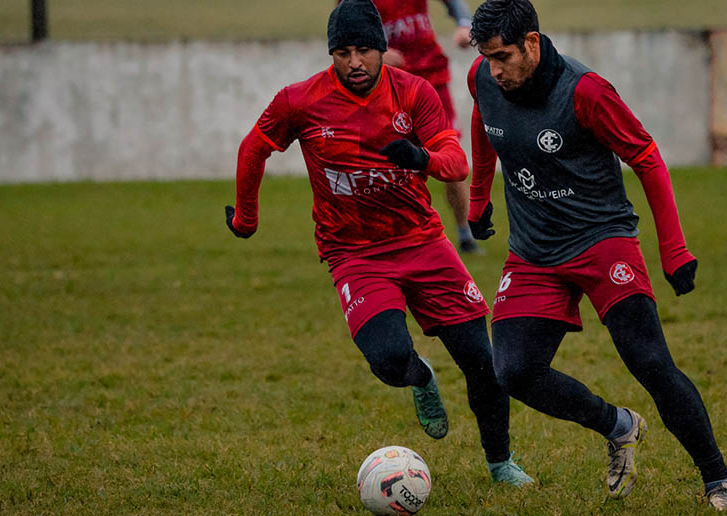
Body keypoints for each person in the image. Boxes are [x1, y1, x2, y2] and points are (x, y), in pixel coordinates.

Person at [226, 0, 533, 489]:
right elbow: (254, 147)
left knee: (483, 361)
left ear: (381, 48)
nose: (355, 62)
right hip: (355, 255)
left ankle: (500, 463)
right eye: (343, 52)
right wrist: (246, 219)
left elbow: (455, 163)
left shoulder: (414, 93)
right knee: (389, 361)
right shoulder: (300, 101)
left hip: (423, 242)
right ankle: (421, 378)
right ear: (331, 54)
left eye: (365, 50)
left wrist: (421, 157)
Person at [465, 0, 727, 510]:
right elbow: (485, 130)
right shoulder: (482, 77)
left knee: (650, 362)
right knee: (515, 370)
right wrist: (479, 199)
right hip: (533, 252)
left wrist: (674, 249)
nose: (493, 69)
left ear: (531, 42)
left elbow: (647, 157)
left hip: (601, 240)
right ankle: (618, 426)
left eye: (502, 56)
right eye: (486, 57)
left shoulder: (585, 91)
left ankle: (718, 480)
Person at [349, 0, 483, 254]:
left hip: (432, 77)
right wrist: (373, 52)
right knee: (389, 160)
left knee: (449, 153)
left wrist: (465, 24)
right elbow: (345, 31)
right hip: (391, 83)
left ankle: (466, 235)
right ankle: (387, 233)